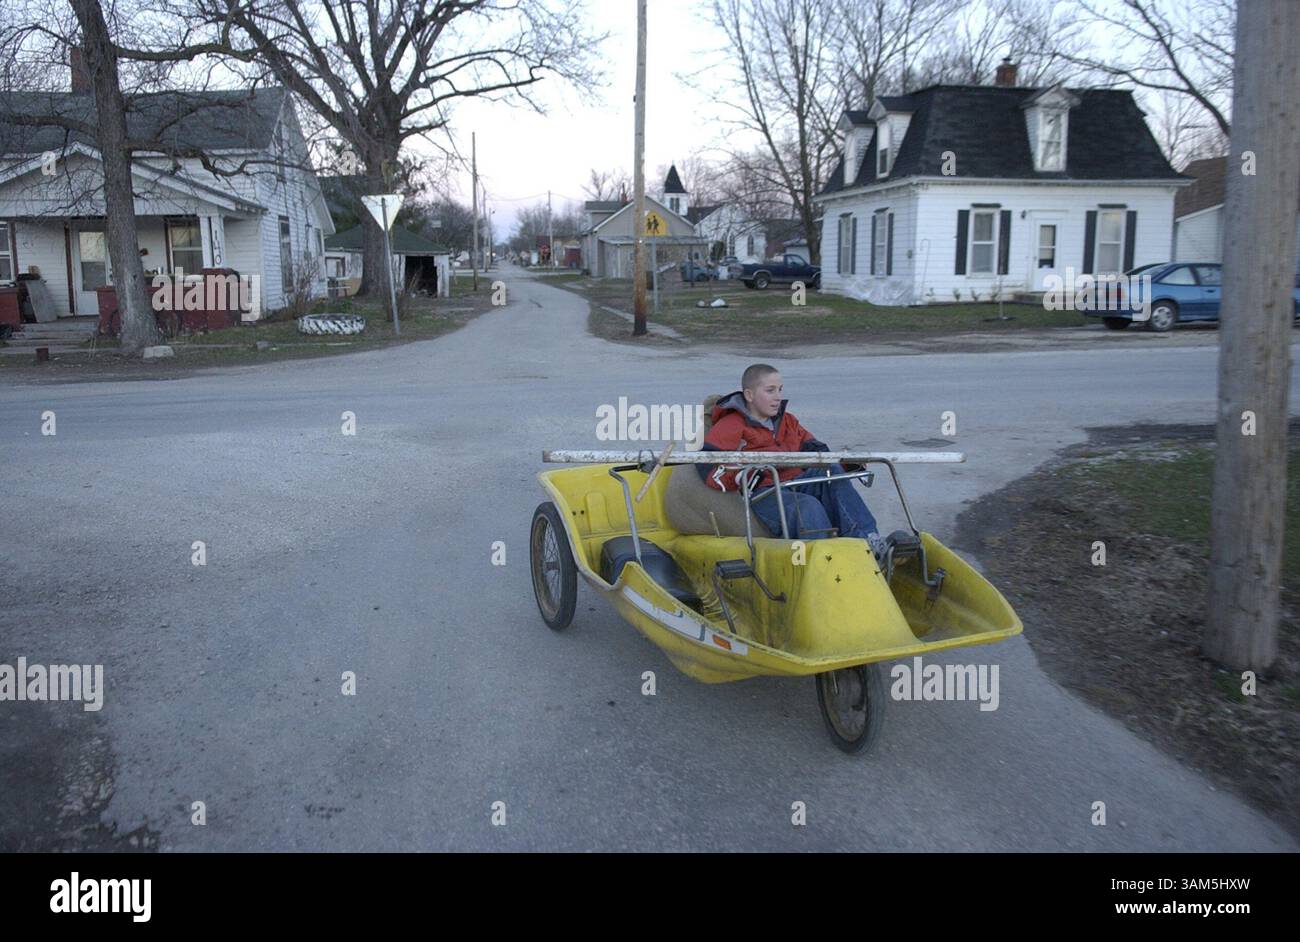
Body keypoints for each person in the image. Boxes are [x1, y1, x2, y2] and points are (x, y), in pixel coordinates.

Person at [699, 364, 886, 557]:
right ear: (749, 395)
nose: (777, 397)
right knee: (806, 506)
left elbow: (815, 449)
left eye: (779, 390)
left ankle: (867, 542)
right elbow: (709, 465)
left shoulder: (787, 421)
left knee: (831, 473)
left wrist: (843, 464)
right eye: (770, 390)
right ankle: (826, 557)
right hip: (765, 491)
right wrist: (743, 476)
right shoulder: (731, 425)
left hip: (797, 480)